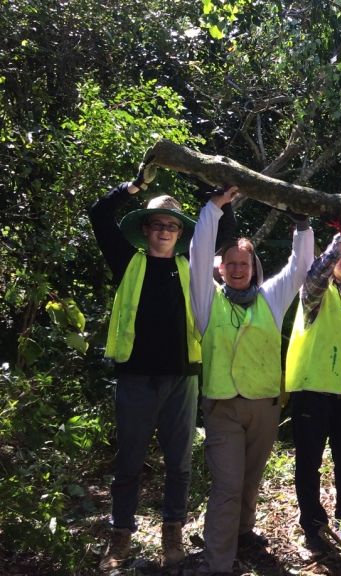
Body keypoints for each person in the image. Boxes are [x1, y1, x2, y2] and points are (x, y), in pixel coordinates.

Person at [90, 167, 234, 570]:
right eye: (158, 224)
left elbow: (223, 235)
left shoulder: (192, 264)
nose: (166, 230)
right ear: (146, 229)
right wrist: (133, 186)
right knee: (129, 461)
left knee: (180, 463)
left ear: (179, 232)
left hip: (181, 378)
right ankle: (120, 539)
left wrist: (215, 198)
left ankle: (172, 535)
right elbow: (99, 214)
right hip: (135, 376)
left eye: (173, 225)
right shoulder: (127, 261)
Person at [190, 187, 314, 575]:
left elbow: (299, 267)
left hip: (263, 404)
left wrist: (301, 224)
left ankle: (243, 532)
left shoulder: (270, 299)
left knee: (250, 477)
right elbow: (196, 257)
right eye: (231, 263)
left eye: (244, 262)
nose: (238, 268)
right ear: (221, 268)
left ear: (254, 267)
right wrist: (213, 209)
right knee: (227, 484)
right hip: (222, 406)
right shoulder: (207, 301)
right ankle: (218, 563)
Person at [284, 225, 341, 555]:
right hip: (313, 391)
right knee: (309, 463)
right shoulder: (317, 290)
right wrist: (339, 241)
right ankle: (314, 527)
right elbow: (317, 275)